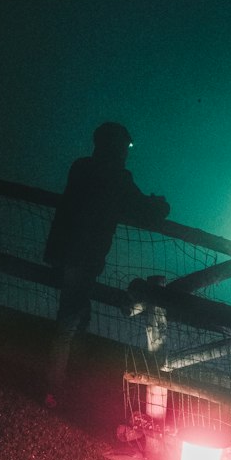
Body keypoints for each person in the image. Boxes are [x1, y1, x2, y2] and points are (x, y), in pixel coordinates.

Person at [42, 121, 170, 405]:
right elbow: (146, 211)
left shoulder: (81, 167)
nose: (126, 152)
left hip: (65, 250)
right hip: (86, 256)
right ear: (118, 148)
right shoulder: (117, 177)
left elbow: (68, 208)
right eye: (125, 147)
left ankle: (65, 380)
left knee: (75, 313)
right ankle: (55, 387)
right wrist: (161, 204)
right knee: (70, 317)